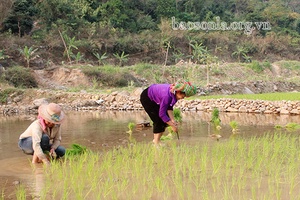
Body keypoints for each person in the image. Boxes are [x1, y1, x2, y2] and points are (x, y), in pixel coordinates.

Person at [140, 81, 197, 145]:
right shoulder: (167, 96)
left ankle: (157, 140)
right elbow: (162, 114)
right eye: (183, 97)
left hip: (156, 96)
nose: (182, 98)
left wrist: (173, 120)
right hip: (147, 97)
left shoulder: (174, 94)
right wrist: (172, 126)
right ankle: (156, 143)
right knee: (158, 120)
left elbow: (169, 107)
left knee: (166, 120)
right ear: (178, 92)